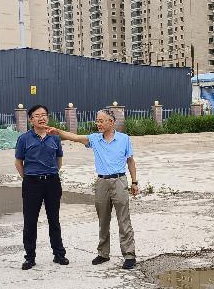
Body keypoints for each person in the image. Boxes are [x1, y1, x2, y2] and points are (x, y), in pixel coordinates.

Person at [46, 108, 138, 270]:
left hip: (119, 181)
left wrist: (134, 182)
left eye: (101, 121)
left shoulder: (124, 139)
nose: (98, 124)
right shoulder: (95, 139)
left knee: (124, 220)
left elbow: (130, 161)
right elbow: (74, 137)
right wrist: (57, 131)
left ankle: (129, 255)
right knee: (103, 219)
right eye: (97, 121)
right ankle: (103, 253)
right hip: (102, 182)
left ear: (111, 122)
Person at [14, 105, 69, 270]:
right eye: (37, 115)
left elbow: (59, 159)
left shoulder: (55, 137)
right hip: (32, 183)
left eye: (44, 115)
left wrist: (51, 173)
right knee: (30, 221)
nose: (41, 118)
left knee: (54, 219)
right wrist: (28, 178)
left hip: (52, 182)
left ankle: (59, 254)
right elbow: (18, 162)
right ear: (31, 120)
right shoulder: (24, 139)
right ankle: (30, 257)